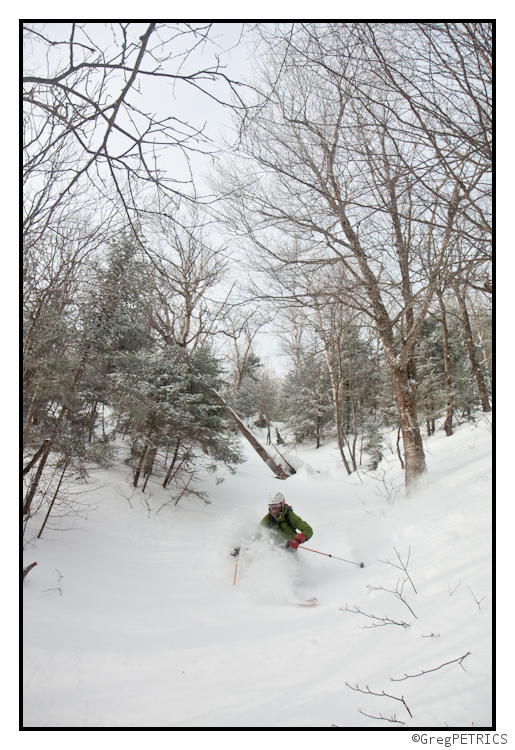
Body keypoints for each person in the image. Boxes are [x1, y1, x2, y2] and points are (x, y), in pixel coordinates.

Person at [231, 492, 313, 556]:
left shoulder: (290, 516)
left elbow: (308, 530)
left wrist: (296, 541)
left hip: (289, 551)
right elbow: (258, 535)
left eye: (276, 506)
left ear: (282, 504)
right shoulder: (268, 518)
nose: (274, 509)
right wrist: (244, 549)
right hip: (275, 550)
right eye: (271, 506)